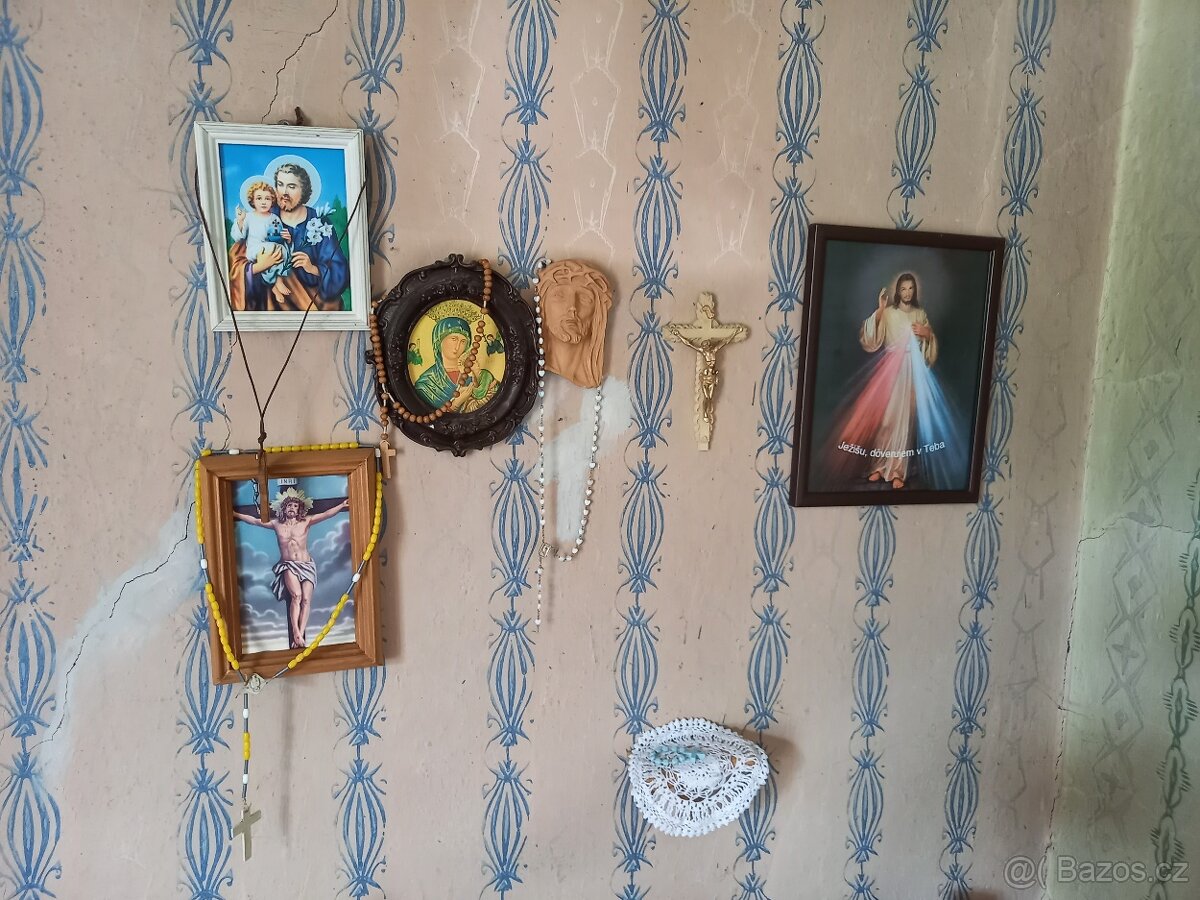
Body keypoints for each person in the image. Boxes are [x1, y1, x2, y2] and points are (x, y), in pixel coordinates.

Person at [829, 272, 938, 489]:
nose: (907, 292)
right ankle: (879, 466)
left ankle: (898, 471)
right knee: (886, 419)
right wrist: (879, 310)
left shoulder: (920, 314)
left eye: (911, 288)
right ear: (898, 291)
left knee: (904, 421)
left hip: (910, 370)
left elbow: (929, 347)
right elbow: (871, 340)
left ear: (915, 290)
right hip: (890, 369)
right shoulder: (888, 313)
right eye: (903, 288)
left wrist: (927, 334)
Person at [233, 488, 349, 649]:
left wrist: (342, 505)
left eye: (295, 506)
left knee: (306, 600)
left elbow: (326, 514)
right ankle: (296, 631)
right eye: (289, 505)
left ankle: (300, 633)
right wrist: (235, 514)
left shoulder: (306, 521)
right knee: (296, 596)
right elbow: (254, 520)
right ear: (284, 508)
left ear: (299, 509)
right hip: (289, 565)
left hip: (307, 565)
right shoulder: (277, 524)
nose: (292, 508)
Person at [229, 161, 350, 312]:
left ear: (304, 190)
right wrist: (260, 266)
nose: (284, 192)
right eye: (280, 184)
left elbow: (339, 269)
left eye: (291, 186)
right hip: (270, 307)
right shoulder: (262, 216)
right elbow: (236, 264)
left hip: (312, 305)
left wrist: (313, 268)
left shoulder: (319, 222)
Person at [413, 316, 498, 412]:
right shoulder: (426, 384)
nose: (457, 346)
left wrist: (478, 375)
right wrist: (456, 404)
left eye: (463, 341)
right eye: (454, 339)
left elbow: (494, 404)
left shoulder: (476, 374)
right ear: (439, 341)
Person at [231, 182, 293, 309]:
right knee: (271, 250)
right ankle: (274, 284)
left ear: (272, 200)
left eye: (267, 198)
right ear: (252, 201)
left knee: (283, 250)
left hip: (271, 247)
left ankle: (278, 281)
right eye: (259, 198)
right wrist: (240, 221)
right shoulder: (248, 217)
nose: (263, 202)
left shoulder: (274, 218)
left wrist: (286, 238)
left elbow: (278, 235)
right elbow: (238, 237)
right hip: (255, 249)